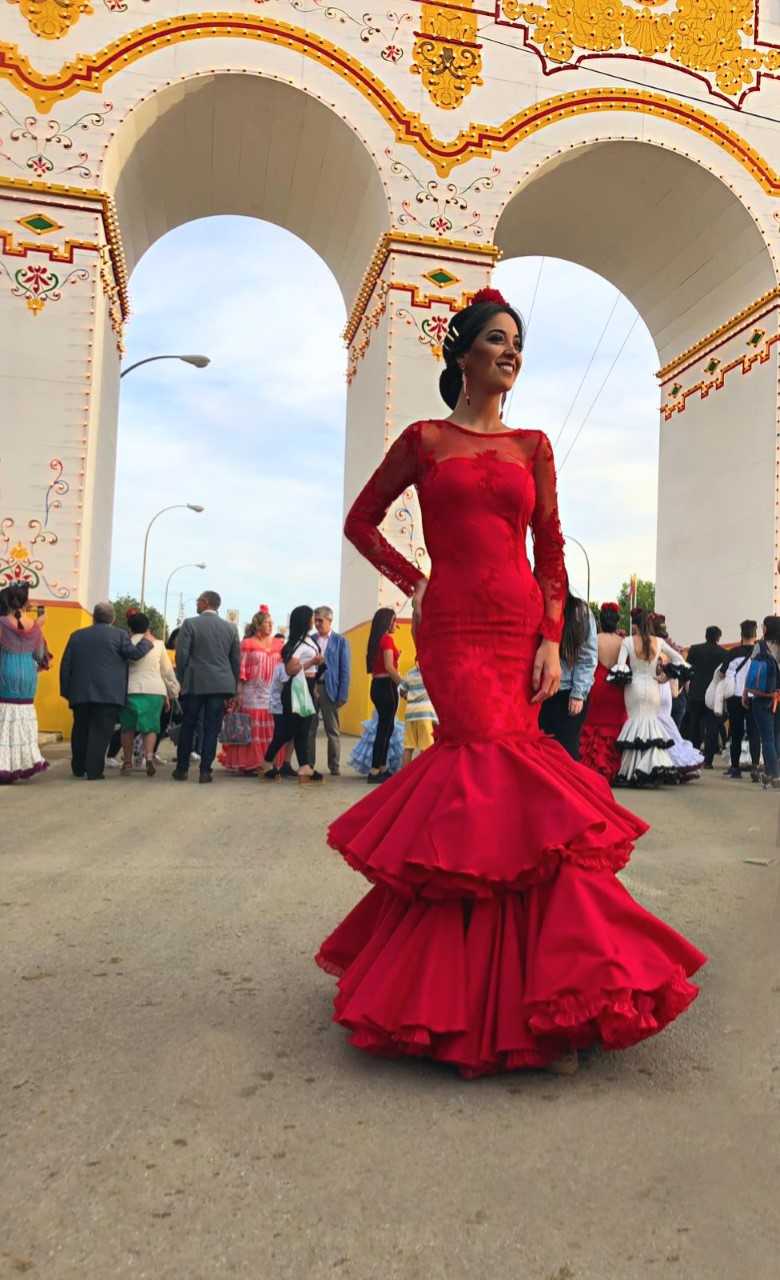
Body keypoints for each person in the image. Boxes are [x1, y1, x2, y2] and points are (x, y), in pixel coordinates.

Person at [316, 286, 706, 1077]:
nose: (511, 352)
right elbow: (360, 520)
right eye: (496, 339)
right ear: (463, 353)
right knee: (480, 776)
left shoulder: (534, 446)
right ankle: (457, 999)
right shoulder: (425, 440)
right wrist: (414, 581)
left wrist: (553, 637)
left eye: (517, 342)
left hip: (520, 626)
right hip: (454, 627)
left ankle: (561, 989)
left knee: (523, 798)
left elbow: (550, 544)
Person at [60, 601, 152, 781]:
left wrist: (66, 690)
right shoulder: (120, 635)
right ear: (113, 619)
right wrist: (146, 643)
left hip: (80, 693)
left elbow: (66, 665)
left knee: (80, 730)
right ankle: (94, 771)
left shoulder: (77, 636)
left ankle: (78, 768)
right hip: (108, 694)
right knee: (100, 732)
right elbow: (133, 654)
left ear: (94, 617)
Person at [611, 609, 691, 786]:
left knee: (635, 725)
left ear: (636, 625)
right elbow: (679, 659)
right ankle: (650, 769)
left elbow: (620, 665)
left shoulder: (628, 641)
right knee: (651, 727)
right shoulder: (659, 641)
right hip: (653, 686)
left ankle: (631, 771)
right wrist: (666, 677)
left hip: (634, 688)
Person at [173, 591, 240, 784]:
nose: (196, 604)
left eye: (198, 601)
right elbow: (235, 660)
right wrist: (233, 686)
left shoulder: (190, 624)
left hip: (195, 683)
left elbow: (181, 655)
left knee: (189, 725)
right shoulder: (231, 628)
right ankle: (205, 771)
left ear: (205, 602)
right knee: (212, 728)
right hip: (221, 685)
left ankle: (182, 769)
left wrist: (182, 678)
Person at [261, 605, 323, 783]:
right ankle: (268, 762)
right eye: (311, 617)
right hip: (297, 689)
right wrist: (312, 662)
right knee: (289, 730)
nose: (313, 621)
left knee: (301, 729)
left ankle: (303, 766)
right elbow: (290, 669)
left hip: (307, 686)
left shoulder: (308, 640)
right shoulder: (298, 644)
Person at [218, 609, 281, 775]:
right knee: (250, 727)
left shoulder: (278, 644)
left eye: (271, 622)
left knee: (272, 727)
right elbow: (241, 669)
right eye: (267, 622)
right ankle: (250, 763)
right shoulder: (247, 644)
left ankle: (268, 761)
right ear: (258, 625)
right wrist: (238, 692)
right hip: (251, 693)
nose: (271, 625)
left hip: (271, 692)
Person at [119, 611, 179, 777]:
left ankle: (127, 762)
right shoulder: (158, 644)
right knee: (150, 727)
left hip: (130, 690)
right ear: (148, 627)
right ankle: (149, 758)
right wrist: (173, 691)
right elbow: (167, 671)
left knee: (127, 728)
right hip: (154, 690)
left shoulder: (125, 643)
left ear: (130, 627)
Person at [0, 585, 49, 784]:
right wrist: (39, 625)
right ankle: (21, 764)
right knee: (21, 721)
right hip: (28, 678)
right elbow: (39, 655)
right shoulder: (35, 627)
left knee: (4, 722)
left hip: (5, 673)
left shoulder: (2, 623)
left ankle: (3, 765)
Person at [539, 593, 596, 760]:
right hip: (538, 693)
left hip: (566, 692)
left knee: (565, 755)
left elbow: (587, 656)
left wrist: (578, 693)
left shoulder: (579, 611)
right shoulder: (536, 603)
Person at [579, 602, 626, 783]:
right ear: (616, 621)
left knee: (593, 722)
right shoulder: (623, 642)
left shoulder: (594, 639)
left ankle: (592, 764)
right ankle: (615, 766)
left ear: (600, 620)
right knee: (615, 724)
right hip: (617, 686)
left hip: (597, 683)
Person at [652, 617, 703, 781]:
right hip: (665, 692)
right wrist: (670, 678)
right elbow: (679, 668)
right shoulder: (669, 650)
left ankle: (663, 764)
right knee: (668, 728)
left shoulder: (654, 647)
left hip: (655, 690)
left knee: (658, 729)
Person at [307, 606, 351, 776]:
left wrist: (343, 694)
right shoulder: (310, 640)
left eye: (320, 620)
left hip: (329, 689)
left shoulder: (340, 641)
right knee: (309, 729)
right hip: (311, 687)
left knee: (332, 730)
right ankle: (309, 764)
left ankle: (334, 765)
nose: (317, 624)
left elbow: (345, 670)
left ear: (330, 620)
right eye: (315, 620)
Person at [365, 608, 403, 782]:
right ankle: (375, 770)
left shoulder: (376, 639)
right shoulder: (387, 639)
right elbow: (389, 666)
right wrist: (403, 685)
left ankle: (381, 767)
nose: (396, 624)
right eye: (394, 620)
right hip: (387, 686)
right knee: (385, 729)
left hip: (377, 685)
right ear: (387, 622)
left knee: (385, 727)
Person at [721, 619, 761, 781]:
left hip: (735, 697)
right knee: (754, 733)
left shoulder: (733, 652)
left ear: (741, 634)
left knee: (736, 733)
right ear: (755, 635)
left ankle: (735, 768)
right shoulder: (761, 653)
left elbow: (723, 672)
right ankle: (755, 767)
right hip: (755, 697)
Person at [684, 625, 729, 768]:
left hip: (696, 693)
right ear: (718, 638)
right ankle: (708, 761)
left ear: (705, 636)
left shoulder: (694, 649)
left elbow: (687, 669)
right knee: (712, 728)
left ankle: (693, 757)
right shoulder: (723, 653)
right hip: (713, 695)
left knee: (694, 726)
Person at [744, 615, 780, 789]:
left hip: (762, 697)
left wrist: (745, 692)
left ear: (767, 628)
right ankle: (774, 771)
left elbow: (751, 672)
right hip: (778, 697)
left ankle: (775, 774)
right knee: (777, 737)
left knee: (767, 739)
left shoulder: (760, 646)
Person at [400, 662, 437, 765]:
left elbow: (401, 690)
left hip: (410, 713)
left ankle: (405, 773)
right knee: (426, 748)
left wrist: (410, 698)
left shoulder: (410, 673)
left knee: (408, 747)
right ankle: (422, 772)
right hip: (425, 714)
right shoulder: (431, 671)